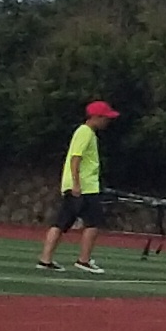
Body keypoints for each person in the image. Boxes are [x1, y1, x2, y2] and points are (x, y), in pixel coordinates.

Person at [38, 99, 119, 273]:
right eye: (105, 118)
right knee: (93, 223)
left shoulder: (86, 133)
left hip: (80, 186)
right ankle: (84, 260)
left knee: (61, 223)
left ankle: (45, 259)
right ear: (96, 117)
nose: (107, 121)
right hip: (85, 187)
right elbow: (76, 158)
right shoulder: (85, 133)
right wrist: (76, 184)